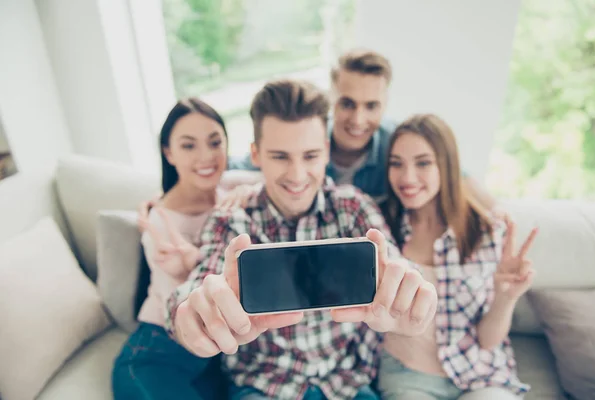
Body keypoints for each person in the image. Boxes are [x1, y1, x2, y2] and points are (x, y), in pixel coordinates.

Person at [164, 79, 438, 400]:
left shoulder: (354, 208)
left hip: (346, 384)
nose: (296, 175)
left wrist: (411, 295)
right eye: (280, 156)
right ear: (256, 155)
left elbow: (393, 263)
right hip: (263, 385)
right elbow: (196, 286)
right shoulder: (231, 219)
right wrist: (187, 317)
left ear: (326, 152)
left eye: (310, 155)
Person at [378, 114, 538, 400]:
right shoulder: (379, 224)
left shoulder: (485, 232)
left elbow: (489, 341)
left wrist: (507, 295)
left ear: (448, 166)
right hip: (407, 376)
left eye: (423, 163)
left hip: (479, 373)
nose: (407, 177)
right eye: (396, 163)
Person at [112, 98, 260, 400]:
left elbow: (286, 180)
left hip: (217, 357)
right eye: (189, 146)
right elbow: (183, 305)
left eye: (215, 142)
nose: (206, 156)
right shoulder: (160, 222)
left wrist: (250, 191)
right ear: (169, 153)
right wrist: (193, 264)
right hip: (158, 351)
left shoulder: (231, 188)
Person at [230, 49, 499, 211]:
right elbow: (237, 164)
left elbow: (454, 174)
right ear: (332, 97)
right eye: (347, 104)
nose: (358, 120)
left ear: (385, 105)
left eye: (371, 106)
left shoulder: (398, 145)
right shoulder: (302, 141)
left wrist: (499, 214)